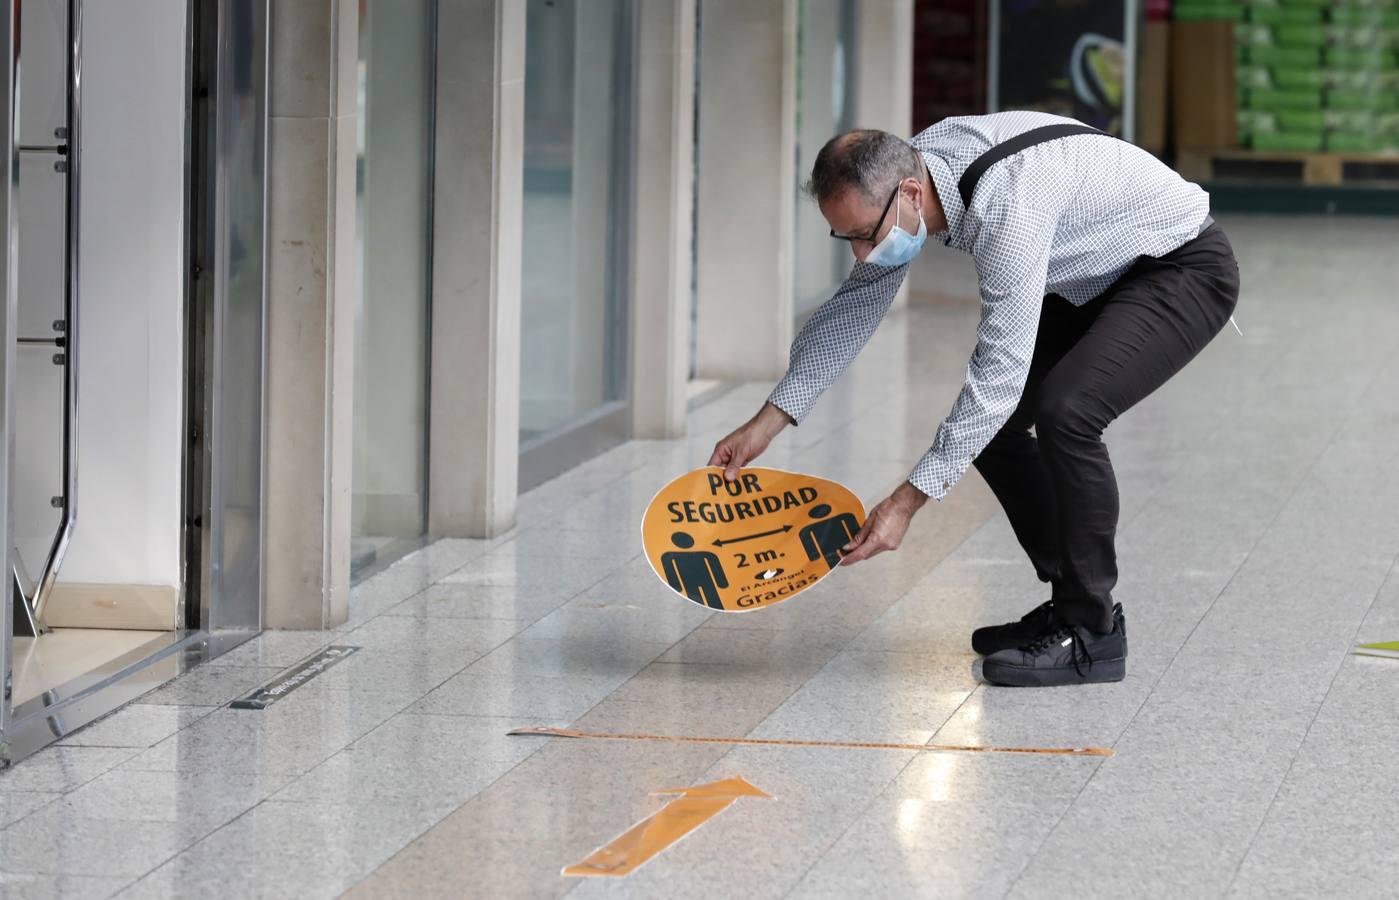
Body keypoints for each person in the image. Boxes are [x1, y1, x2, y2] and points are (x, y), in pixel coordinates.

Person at [707, 111, 1240, 687]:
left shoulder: (1007, 206)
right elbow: (855, 304)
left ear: (910, 192)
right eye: (847, 238)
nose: (861, 254)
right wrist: (767, 421)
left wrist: (904, 504)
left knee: (1068, 414)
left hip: (1178, 267)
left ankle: (1092, 635)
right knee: (996, 429)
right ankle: (1071, 603)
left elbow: (999, 376)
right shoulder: (915, 171)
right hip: (1097, 273)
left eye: (865, 235)